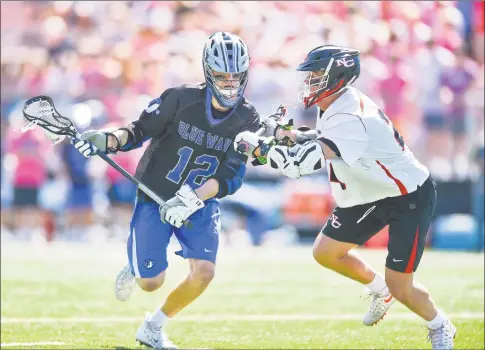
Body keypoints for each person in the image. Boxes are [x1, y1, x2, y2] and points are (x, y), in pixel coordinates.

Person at [235, 45, 456, 349]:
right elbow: (324, 139)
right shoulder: (336, 104)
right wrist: (290, 137)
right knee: (326, 252)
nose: (308, 82)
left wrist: (260, 150)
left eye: (314, 76)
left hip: (407, 196)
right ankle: (380, 289)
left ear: (336, 76)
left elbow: (301, 165)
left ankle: (439, 324)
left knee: (401, 285)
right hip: (370, 191)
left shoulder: (350, 115)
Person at [71, 32, 260, 349]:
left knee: (204, 272)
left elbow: (232, 175)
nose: (229, 83)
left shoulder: (249, 118)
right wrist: (107, 141)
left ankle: (153, 327)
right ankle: (135, 265)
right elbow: (138, 130)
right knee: (150, 282)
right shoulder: (180, 99)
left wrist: (193, 198)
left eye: (236, 76)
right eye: (222, 76)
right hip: (155, 196)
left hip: (200, 202)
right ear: (207, 72)